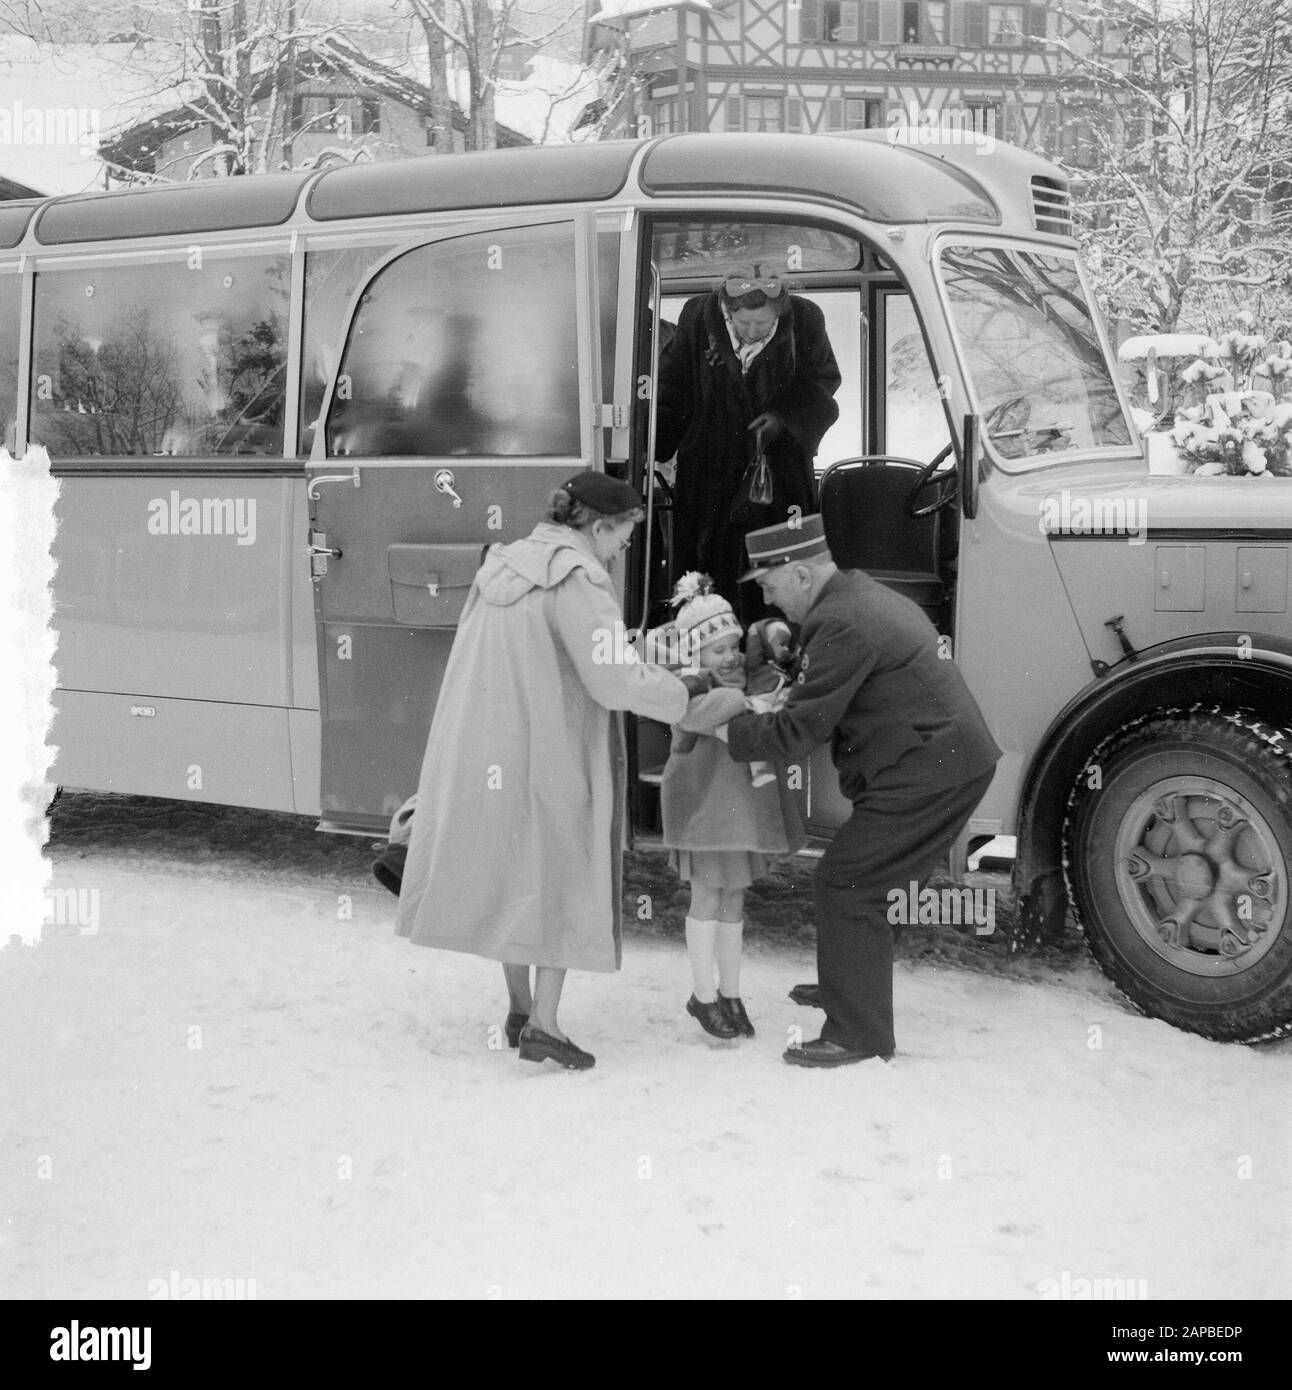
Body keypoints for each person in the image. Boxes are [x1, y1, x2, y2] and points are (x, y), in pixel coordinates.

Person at [395, 471, 691, 1071]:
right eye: (624, 536)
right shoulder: (579, 577)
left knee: (512, 865)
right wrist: (681, 696)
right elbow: (610, 677)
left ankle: (518, 1006)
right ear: (598, 526)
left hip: (492, 749)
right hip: (553, 746)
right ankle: (546, 1025)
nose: (624, 549)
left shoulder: (501, 565)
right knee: (562, 871)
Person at [686, 514, 1002, 1067]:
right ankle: (847, 986)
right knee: (871, 881)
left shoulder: (841, 622)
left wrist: (716, 725)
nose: (766, 596)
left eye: (769, 583)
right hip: (945, 760)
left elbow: (796, 731)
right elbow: (821, 679)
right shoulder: (852, 599)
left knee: (849, 883)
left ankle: (858, 1033)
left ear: (803, 575)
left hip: (929, 770)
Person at [655, 572, 805, 1041]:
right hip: (706, 814)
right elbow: (713, 707)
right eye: (716, 650)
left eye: (733, 646)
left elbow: (761, 647)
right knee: (708, 897)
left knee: (734, 899)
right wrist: (750, 700)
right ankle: (703, 995)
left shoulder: (744, 678)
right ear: (695, 654)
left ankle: (731, 993)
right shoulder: (688, 692)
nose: (729, 656)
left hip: (738, 817)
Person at [654, 263, 841, 620]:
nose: (753, 332)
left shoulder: (805, 319)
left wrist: (784, 417)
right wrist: (651, 449)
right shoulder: (698, 316)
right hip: (709, 470)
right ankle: (712, 650)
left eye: (763, 325)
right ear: (728, 310)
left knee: (779, 569)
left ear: (780, 312)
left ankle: (775, 650)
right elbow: (672, 388)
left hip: (779, 469)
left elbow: (824, 380)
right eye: (744, 324)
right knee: (707, 568)